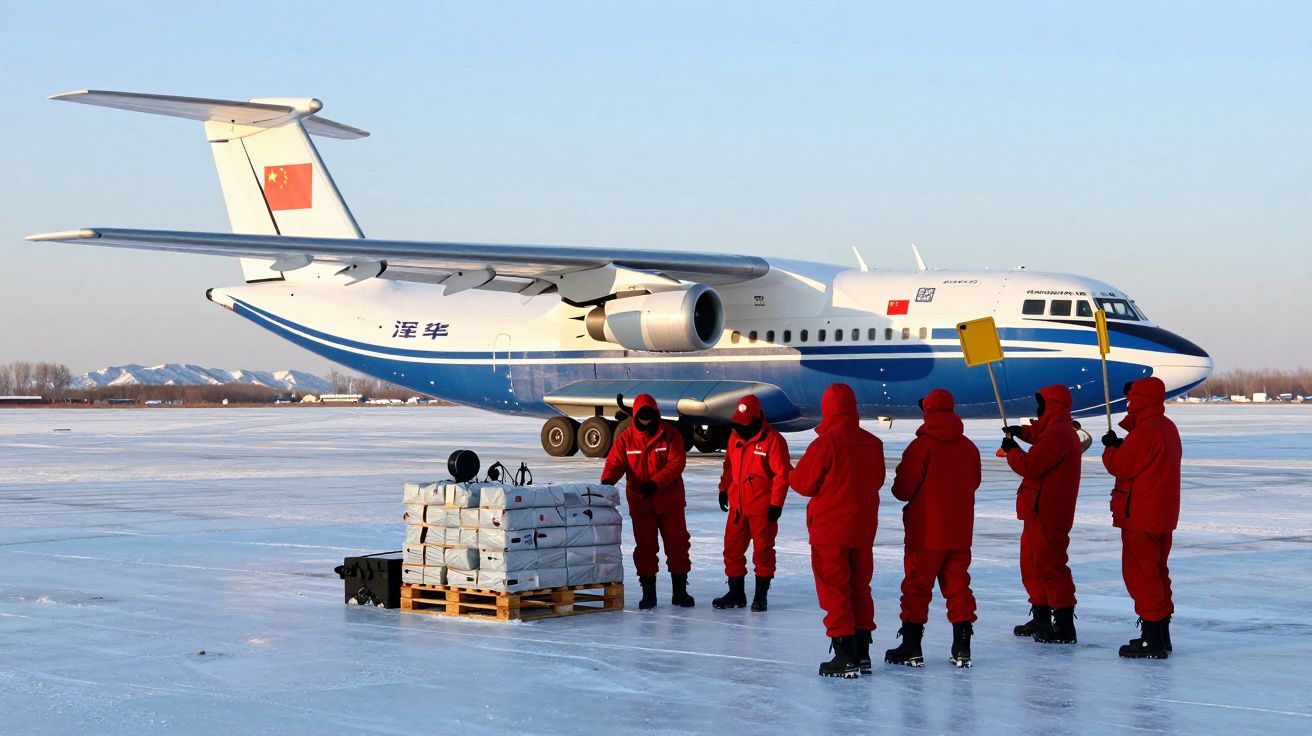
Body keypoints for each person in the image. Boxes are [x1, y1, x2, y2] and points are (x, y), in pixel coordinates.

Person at [790, 383, 885, 678]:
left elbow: (802, 484)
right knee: (860, 587)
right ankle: (862, 651)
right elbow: (878, 480)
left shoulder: (825, 444)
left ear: (828, 409)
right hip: (863, 528)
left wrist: (792, 470)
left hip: (830, 529)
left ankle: (844, 654)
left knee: (835, 590)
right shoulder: (873, 443)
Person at [884, 389, 981, 668]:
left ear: (928, 411)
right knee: (959, 587)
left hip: (926, 532)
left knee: (917, 588)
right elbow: (974, 481)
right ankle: (962, 647)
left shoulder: (921, 447)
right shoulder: (968, 447)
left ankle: (911, 646)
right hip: (960, 531)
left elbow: (903, 490)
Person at [1102, 376, 1181, 659]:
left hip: (1141, 514)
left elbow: (1121, 466)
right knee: (1158, 572)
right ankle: (1162, 633)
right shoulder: (1166, 427)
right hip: (1162, 513)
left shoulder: (1146, 430)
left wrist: (1111, 448)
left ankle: (1152, 640)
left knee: (1142, 575)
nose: (1128, 403)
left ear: (1141, 399)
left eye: (1132, 398)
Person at [1001, 384, 1083, 644]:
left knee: (1050, 566)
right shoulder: (1056, 429)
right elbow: (1041, 435)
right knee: (1032, 565)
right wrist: (1021, 433)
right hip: (1037, 509)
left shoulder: (1059, 433)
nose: (1038, 407)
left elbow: (1031, 466)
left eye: (1041, 403)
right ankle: (1042, 616)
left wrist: (1012, 450)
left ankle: (1064, 624)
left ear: (1051, 406)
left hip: (1048, 510)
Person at [600, 393, 694, 610]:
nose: (645, 422)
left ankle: (680, 592)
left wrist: (655, 483)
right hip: (641, 504)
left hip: (670, 503)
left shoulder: (671, 435)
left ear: (656, 415)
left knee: (678, 546)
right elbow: (615, 462)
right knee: (645, 549)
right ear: (635, 418)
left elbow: (676, 464)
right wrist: (607, 480)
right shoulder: (626, 438)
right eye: (641, 419)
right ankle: (648, 593)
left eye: (649, 418)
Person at [713, 394, 791, 612]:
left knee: (763, 551)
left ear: (758, 418)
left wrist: (776, 504)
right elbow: (728, 467)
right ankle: (736, 593)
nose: (742, 428)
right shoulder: (734, 438)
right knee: (732, 550)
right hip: (737, 506)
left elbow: (782, 475)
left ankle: (760, 596)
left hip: (762, 508)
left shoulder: (774, 440)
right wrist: (723, 489)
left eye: (745, 424)